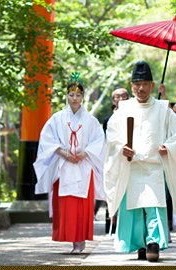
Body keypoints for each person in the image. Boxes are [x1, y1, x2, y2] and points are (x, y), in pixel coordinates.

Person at [104, 60, 176, 262]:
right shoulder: (123, 109)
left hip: (153, 167)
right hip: (131, 167)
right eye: (137, 84)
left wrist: (167, 147)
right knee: (133, 209)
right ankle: (139, 245)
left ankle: (153, 243)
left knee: (154, 205)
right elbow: (112, 138)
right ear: (131, 86)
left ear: (152, 85)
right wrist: (121, 149)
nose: (141, 88)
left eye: (145, 84)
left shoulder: (163, 108)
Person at [33, 72, 106, 254]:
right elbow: (47, 139)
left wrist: (85, 153)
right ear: (66, 96)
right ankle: (73, 241)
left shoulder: (91, 120)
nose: (75, 98)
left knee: (82, 205)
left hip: (83, 166)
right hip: (63, 167)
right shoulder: (57, 118)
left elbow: (99, 141)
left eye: (78, 95)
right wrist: (63, 153)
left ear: (83, 97)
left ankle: (81, 240)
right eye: (71, 95)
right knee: (67, 205)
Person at [96, 87, 130, 233]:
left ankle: (126, 222)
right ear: (113, 100)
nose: (121, 99)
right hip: (113, 159)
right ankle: (111, 223)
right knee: (112, 190)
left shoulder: (134, 116)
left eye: (124, 96)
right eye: (118, 96)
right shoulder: (107, 120)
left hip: (130, 159)